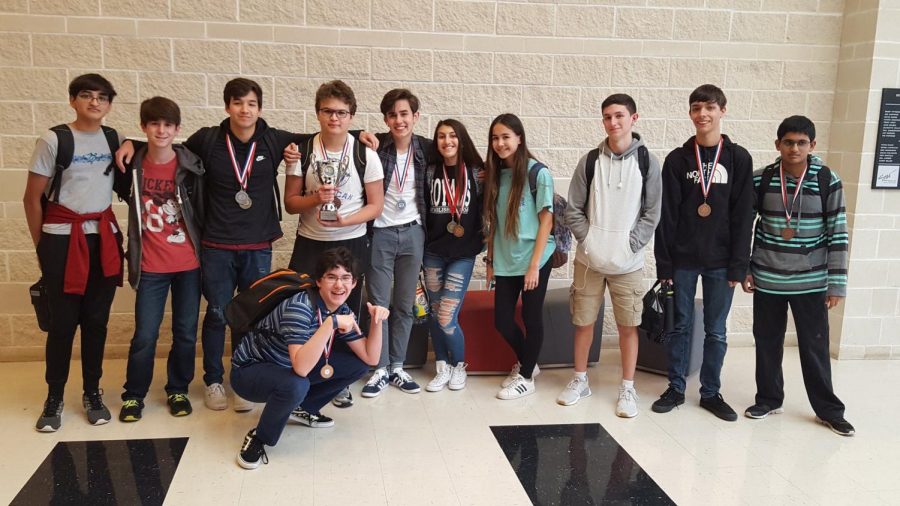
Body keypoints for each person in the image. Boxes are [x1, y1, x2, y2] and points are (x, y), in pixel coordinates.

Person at [117, 78, 377, 413]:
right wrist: (130, 143)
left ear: (260, 108)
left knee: (249, 316)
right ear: (227, 106)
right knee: (216, 313)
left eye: (251, 103)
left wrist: (363, 135)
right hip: (216, 244)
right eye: (238, 103)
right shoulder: (208, 139)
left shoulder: (272, 139)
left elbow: (329, 135)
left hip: (258, 245)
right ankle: (213, 379)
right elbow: (167, 144)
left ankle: (243, 378)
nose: (244, 109)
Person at [24, 73, 124, 432]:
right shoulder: (54, 139)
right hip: (62, 240)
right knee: (63, 324)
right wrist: (43, 247)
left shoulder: (114, 138)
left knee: (96, 322)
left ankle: (92, 393)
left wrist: (131, 145)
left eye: (102, 97)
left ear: (109, 104)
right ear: (73, 100)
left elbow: (153, 145)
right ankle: (54, 397)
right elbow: (32, 198)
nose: (94, 102)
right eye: (86, 96)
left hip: (103, 240)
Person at [742, 115, 854, 436]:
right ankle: (768, 399)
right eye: (788, 142)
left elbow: (838, 234)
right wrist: (746, 267)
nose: (794, 148)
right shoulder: (760, 179)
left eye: (801, 143)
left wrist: (837, 284)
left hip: (812, 282)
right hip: (768, 279)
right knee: (767, 343)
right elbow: (744, 229)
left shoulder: (827, 180)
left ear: (812, 145)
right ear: (777, 144)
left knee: (814, 347)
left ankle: (829, 410)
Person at [231, 247, 388, 469]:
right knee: (297, 384)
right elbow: (302, 369)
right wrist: (331, 324)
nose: (339, 285)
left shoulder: (341, 308)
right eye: (331, 277)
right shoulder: (300, 306)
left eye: (345, 278)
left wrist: (377, 321)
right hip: (250, 371)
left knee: (358, 366)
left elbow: (370, 358)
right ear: (318, 281)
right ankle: (259, 438)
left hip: (287, 365)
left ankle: (301, 408)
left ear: (354, 283)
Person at [652, 84, 754, 422]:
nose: (703, 114)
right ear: (690, 114)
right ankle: (676, 388)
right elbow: (667, 216)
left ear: (722, 110)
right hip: (682, 260)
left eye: (709, 107)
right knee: (680, 326)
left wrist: (739, 266)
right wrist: (664, 263)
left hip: (722, 263)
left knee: (716, 330)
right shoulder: (678, 159)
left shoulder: (739, 159)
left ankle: (710, 392)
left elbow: (743, 216)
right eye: (696, 108)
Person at [282, 80, 385, 407]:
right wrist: (315, 198)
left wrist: (346, 219)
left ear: (352, 116)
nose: (334, 118)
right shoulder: (303, 151)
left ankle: (336, 378)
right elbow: (290, 203)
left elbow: (375, 205)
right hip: (311, 243)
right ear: (318, 113)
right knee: (304, 310)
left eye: (341, 112)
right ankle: (301, 373)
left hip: (351, 242)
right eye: (328, 111)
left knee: (345, 313)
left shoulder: (365, 154)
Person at [560, 94, 662, 417]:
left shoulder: (647, 162)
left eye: (619, 116)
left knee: (628, 326)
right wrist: (587, 239)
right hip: (589, 260)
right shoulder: (590, 160)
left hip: (627, 264)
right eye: (607, 117)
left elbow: (652, 212)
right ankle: (580, 380)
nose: (613, 122)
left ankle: (627, 389)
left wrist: (632, 244)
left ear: (634, 118)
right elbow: (573, 208)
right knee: (583, 323)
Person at [116, 97, 205, 422]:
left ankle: (177, 389)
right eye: (154, 124)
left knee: (184, 332)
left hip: (188, 266)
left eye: (168, 125)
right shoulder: (131, 166)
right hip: (150, 266)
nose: (161, 130)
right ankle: (133, 395)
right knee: (145, 334)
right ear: (143, 127)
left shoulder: (191, 165)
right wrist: (128, 142)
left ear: (178, 129)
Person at [360, 89, 429, 398]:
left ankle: (398, 366)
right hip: (381, 234)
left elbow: (461, 153)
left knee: (403, 304)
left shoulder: (427, 149)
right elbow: (346, 134)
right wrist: (361, 134)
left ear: (415, 116)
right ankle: (379, 368)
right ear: (385, 119)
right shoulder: (375, 145)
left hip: (413, 233)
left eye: (404, 114)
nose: (399, 120)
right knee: (378, 304)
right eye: (392, 115)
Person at [483, 113, 556, 400]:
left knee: (530, 315)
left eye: (506, 137)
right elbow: (494, 224)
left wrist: (534, 266)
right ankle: (529, 362)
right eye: (495, 138)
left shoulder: (538, 173)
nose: (500, 143)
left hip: (534, 257)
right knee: (502, 320)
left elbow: (547, 221)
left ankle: (526, 376)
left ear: (519, 138)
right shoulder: (495, 175)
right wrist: (490, 262)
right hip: (505, 259)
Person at [422, 119, 485, 392]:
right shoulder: (430, 171)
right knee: (436, 314)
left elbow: (487, 211)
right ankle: (442, 366)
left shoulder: (476, 172)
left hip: (462, 254)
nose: (447, 141)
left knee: (447, 315)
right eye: (441, 137)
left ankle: (459, 365)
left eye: (452, 136)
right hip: (433, 252)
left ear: (461, 139)